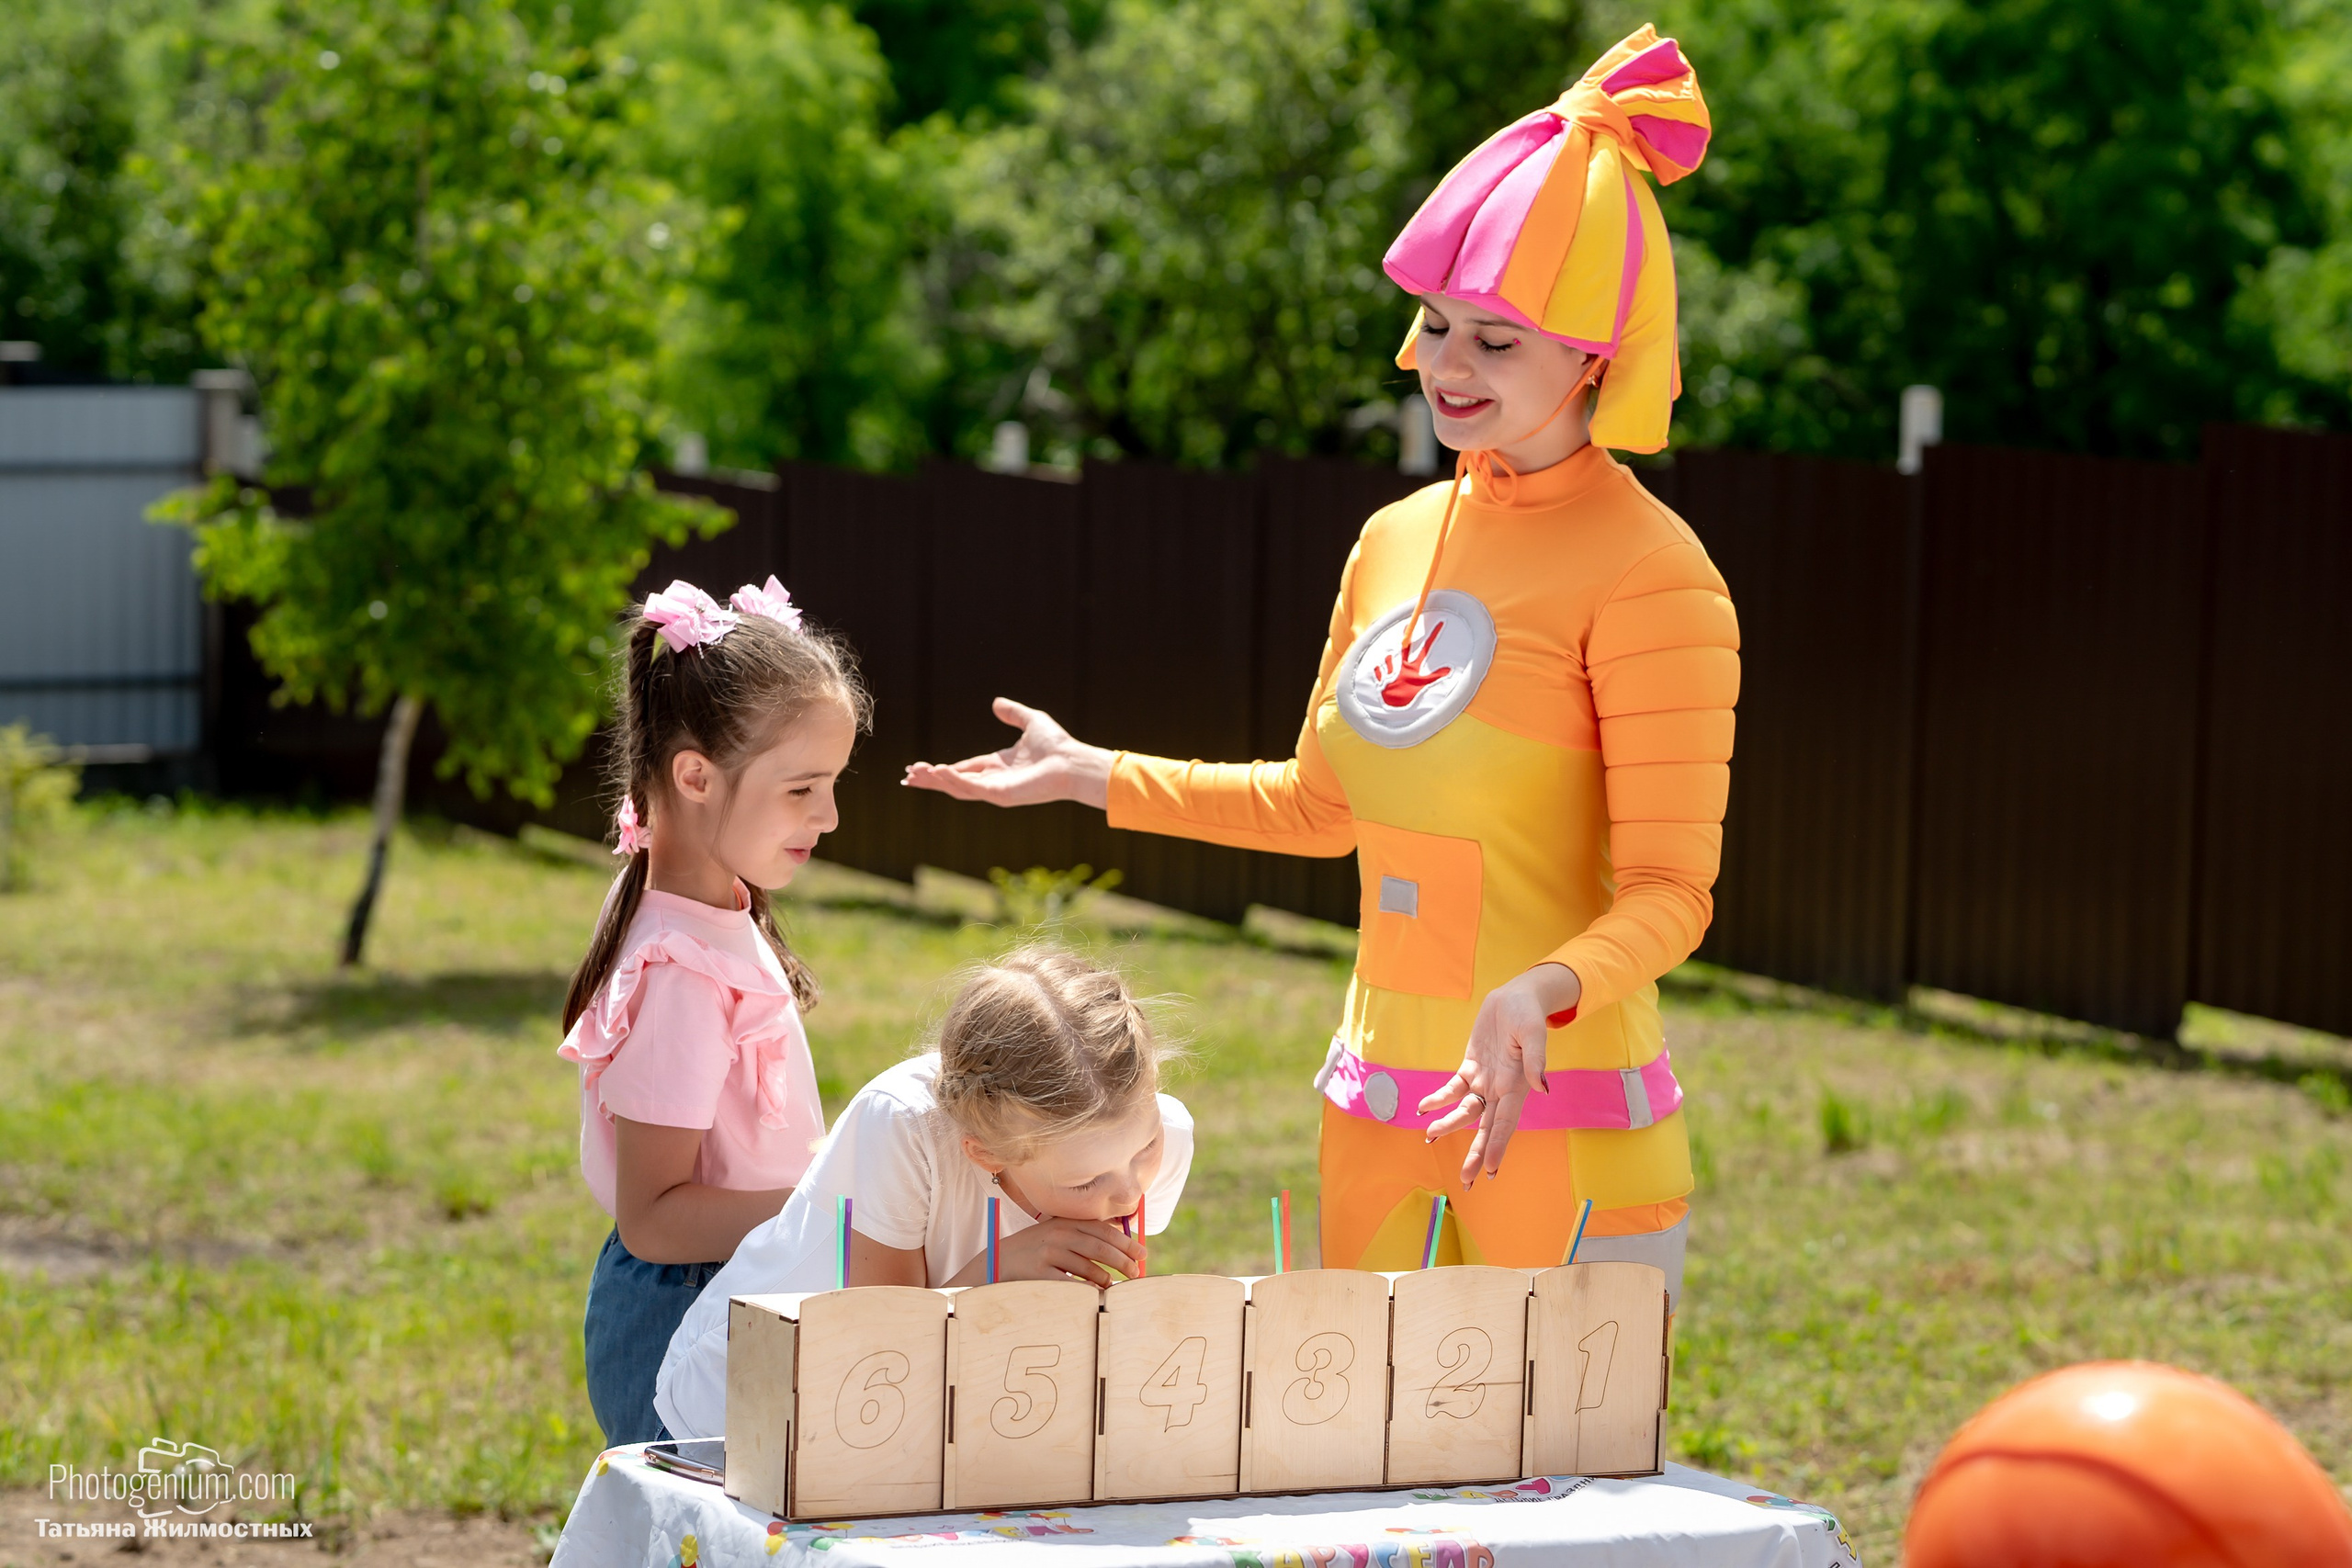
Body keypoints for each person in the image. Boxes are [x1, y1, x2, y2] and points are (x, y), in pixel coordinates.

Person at [906, 26, 1731, 1301]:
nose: (1448, 367)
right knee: (1375, 1466)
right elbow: (1320, 804)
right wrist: (1090, 775)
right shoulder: (1394, 539)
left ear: (1597, 358)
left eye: (1497, 340)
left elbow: (1677, 890)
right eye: (1437, 324)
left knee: (1559, 1479)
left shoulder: (1654, 572)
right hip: (1378, 1109)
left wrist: (1542, 991)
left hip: (1554, 1116)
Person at [560, 575, 867, 1447]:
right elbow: (653, 1216)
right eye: (803, 788)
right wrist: (828, 1206)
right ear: (695, 775)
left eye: (833, 784)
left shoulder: (715, 906)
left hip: (731, 1292)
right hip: (684, 1322)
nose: (831, 815)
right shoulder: (680, 972)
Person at [655, 945, 1194, 1441]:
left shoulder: (1146, 1136)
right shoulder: (903, 1127)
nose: (1128, 1193)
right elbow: (886, 1340)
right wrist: (995, 1271)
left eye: (1144, 1148)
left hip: (914, 1421)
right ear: (985, 1152)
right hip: (749, 1408)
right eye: (1084, 1183)